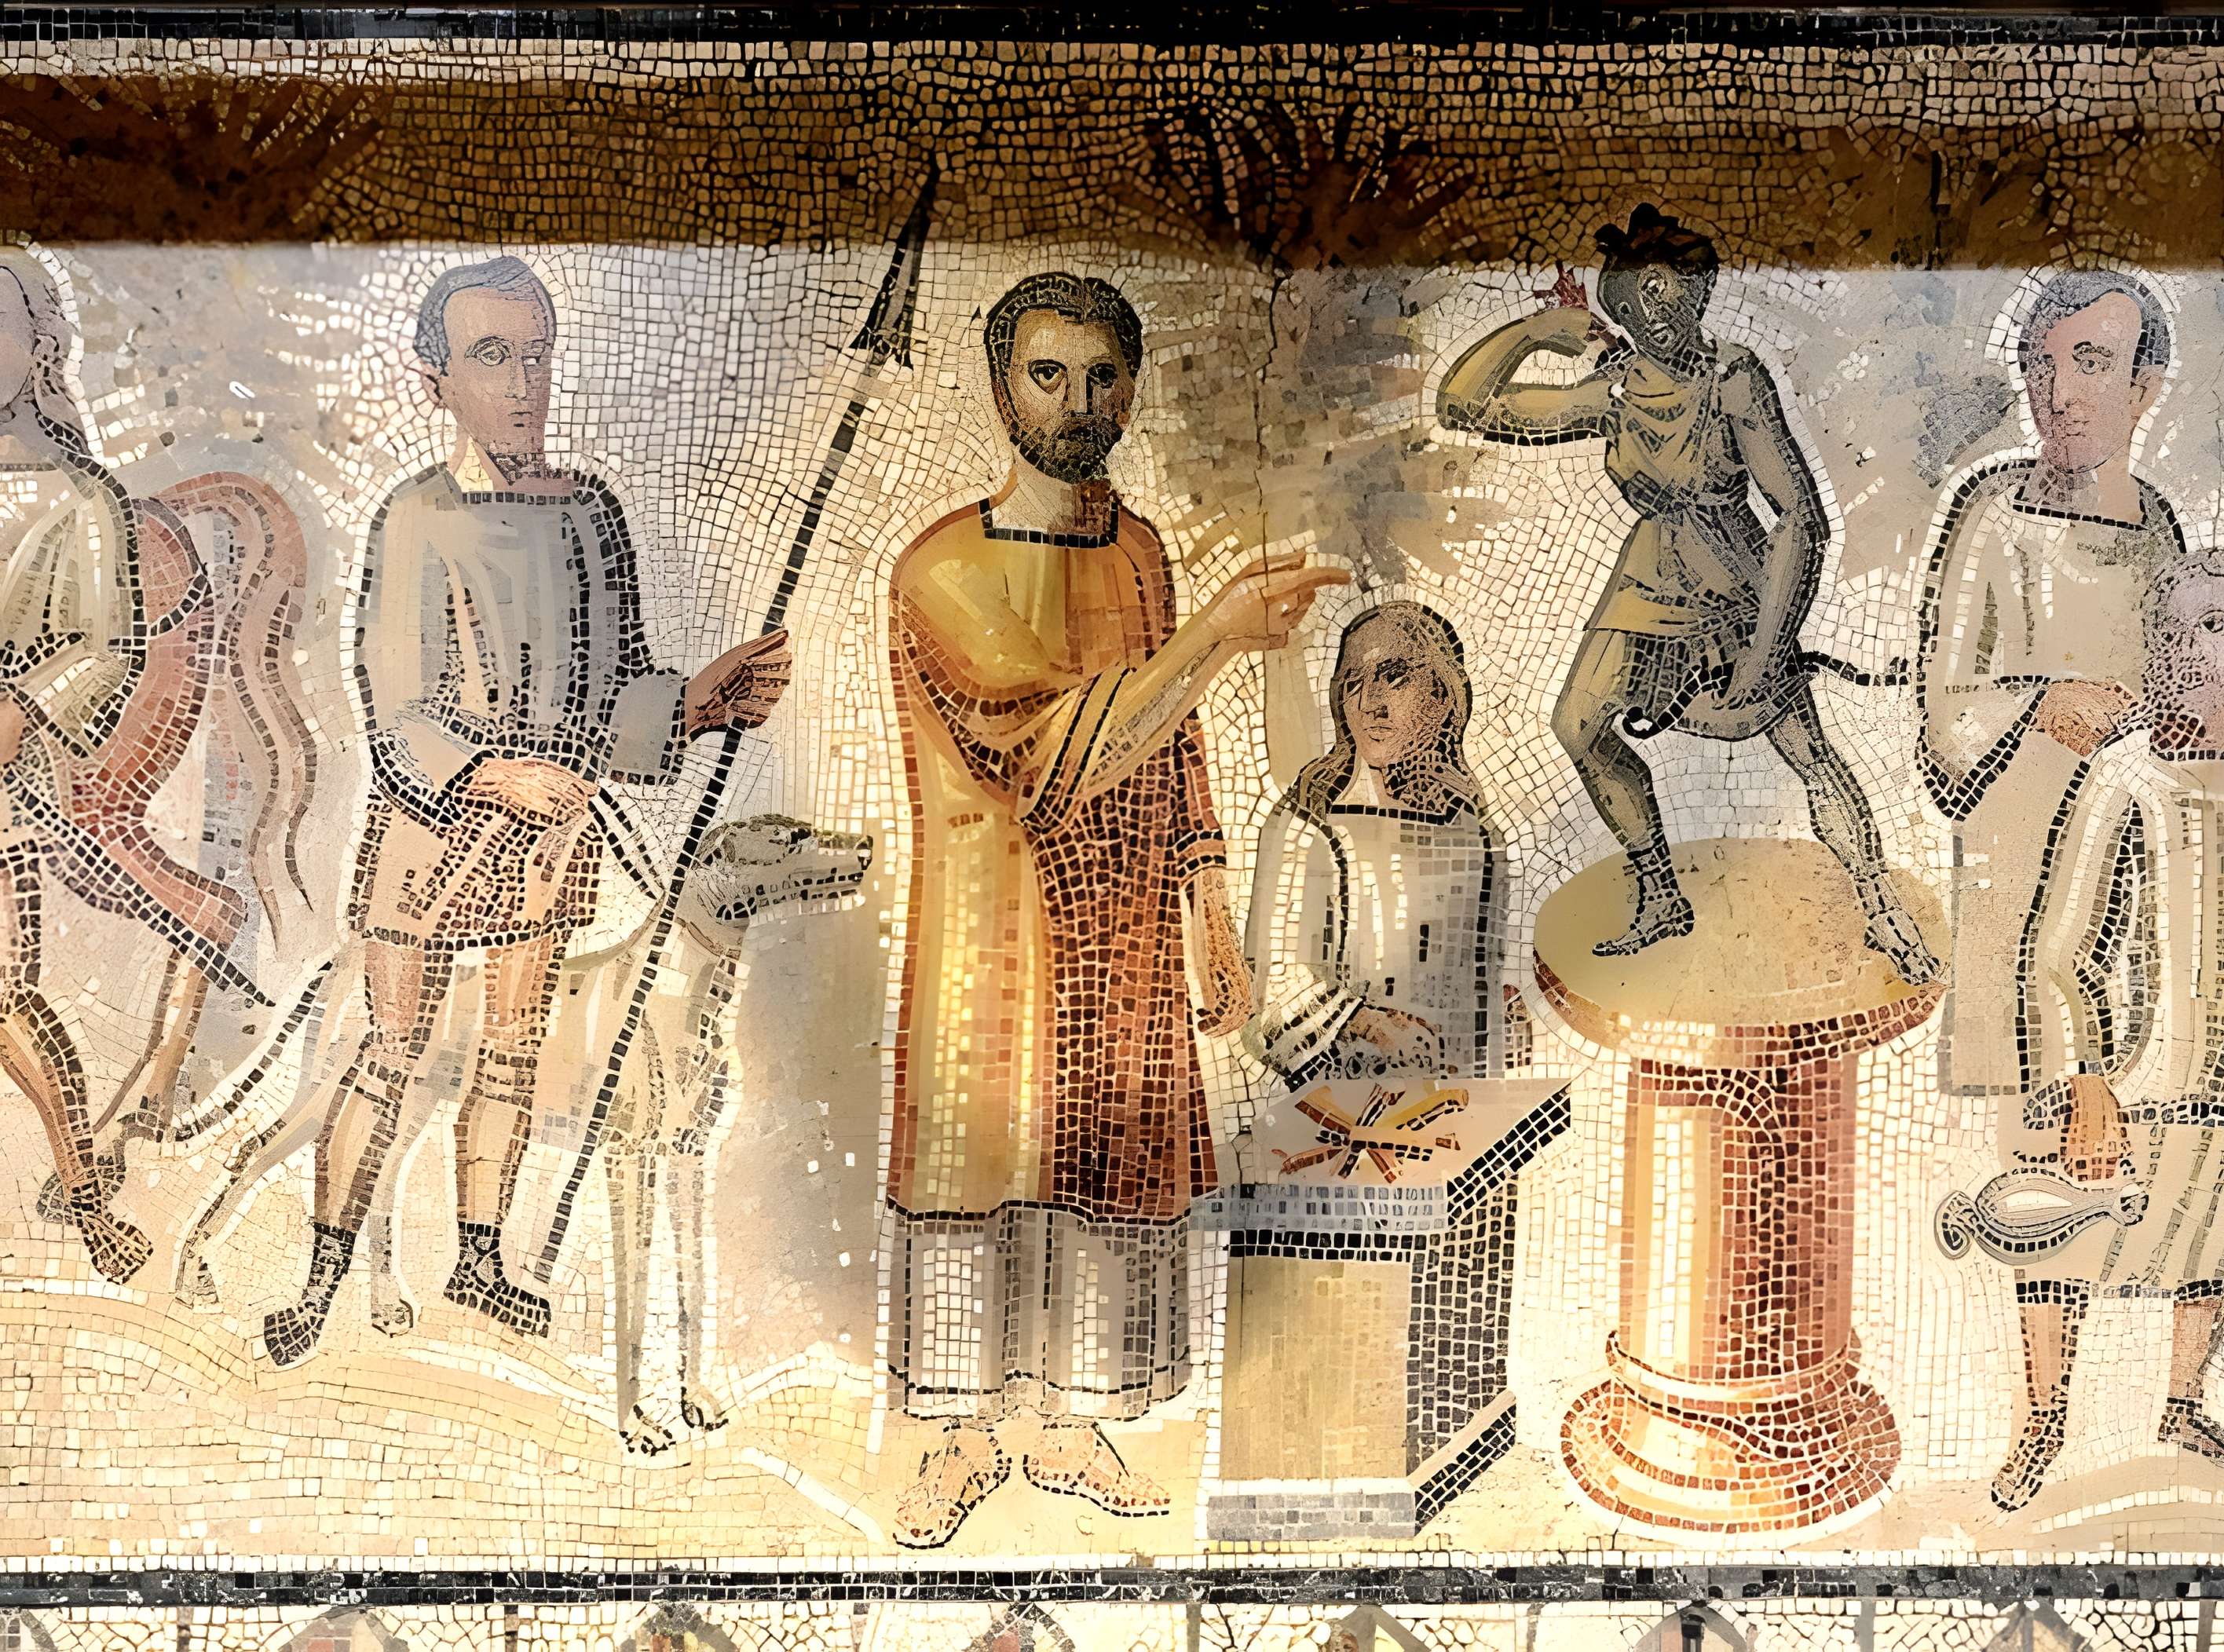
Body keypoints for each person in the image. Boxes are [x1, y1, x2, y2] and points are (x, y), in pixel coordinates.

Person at [260, 256, 791, 1367]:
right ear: (437, 380)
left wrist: (699, 701)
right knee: (390, 1050)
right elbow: (394, 698)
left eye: (536, 357)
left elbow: (616, 691)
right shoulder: (416, 516)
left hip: (550, 835)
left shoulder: (588, 516)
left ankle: (479, 1257)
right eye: (491, 357)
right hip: (433, 829)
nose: (520, 383)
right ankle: (320, 1276)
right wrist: (494, 774)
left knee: (510, 1048)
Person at [886, 272, 1344, 1548]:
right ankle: (963, 1436)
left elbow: (1171, 738)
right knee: (982, 1165)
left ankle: (1069, 1421)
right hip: (999, 933)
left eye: (1101, 378)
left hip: (1127, 921)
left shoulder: (1139, 553)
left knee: (1106, 1163)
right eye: (1048, 374)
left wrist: (1207, 901)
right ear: (1002, 389)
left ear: (1131, 392)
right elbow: (1050, 754)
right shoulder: (941, 569)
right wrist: (1220, 634)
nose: (1076, 402)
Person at [1437, 206, 1936, 978]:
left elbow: (1798, 516)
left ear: (1697, 288)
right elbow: (1463, 406)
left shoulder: (1733, 379)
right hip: (1648, 578)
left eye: (1664, 288)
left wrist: (1768, 648)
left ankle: (1879, 905)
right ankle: (1660, 895)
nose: (1653, 311)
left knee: (1805, 748)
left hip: (1733, 574)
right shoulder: (1614, 392)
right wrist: (1538, 331)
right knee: (1578, 725)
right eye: (1633, 298)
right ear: (1618, 307)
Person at [1982, 547, 2224, 1511]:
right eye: (2169, 628)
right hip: (2131, 1071)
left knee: (2218, 1231)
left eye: (2211, 627)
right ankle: (2041, 1418)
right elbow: (2062, 944)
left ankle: (2181, 1403)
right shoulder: (2126, 776)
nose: (2184, 646)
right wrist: (2086, 1080)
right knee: (2064, 1239)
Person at [0, 250, 251, 1285]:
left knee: (4, 993)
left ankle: (89, 1198)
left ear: (38, 345)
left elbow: (103, 651)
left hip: (7, 778)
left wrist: (20, 709)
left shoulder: (80, 499)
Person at [1918, 267, 2189, 1102]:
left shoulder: (2159, 530)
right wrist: (2040, 705)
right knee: (2016, 1079)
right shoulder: (1991, 516)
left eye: (2090, 363)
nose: (2059, 393)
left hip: (2127, 858)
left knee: (2121, 1076)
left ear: (2143, 388)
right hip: (2013, 860)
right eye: (2041, 364)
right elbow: (1945, 721)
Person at [1243, 600, 1527, 1084]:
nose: (1371, 702)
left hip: (1455, 1099)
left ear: (1440, 698)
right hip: (1342, 1098)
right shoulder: (1309, 821)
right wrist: (1366, 1024)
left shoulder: (1475, 834)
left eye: (1395, 677)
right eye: (1354, 682)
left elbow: (1476, 985)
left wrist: (1499, 1019)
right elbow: (1271, 1000)